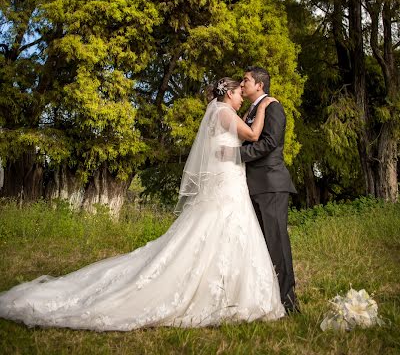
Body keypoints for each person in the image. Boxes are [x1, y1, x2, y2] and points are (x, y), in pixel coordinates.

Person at [0, 78, 285, 331]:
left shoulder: (220, 113)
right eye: (238, 92)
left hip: (228, 180)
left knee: (223, 231)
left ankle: (230, 291)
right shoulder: (224, 112)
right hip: (227, 184)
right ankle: (230, 293)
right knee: (220, 229)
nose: (240, 96)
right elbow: (253, 136)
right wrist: (262, 108)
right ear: (229, 94)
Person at [240, 66, 298, 313]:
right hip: (254, 185)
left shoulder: (273, 107)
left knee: (277, 242)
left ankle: (288, 301)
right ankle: (267, 298)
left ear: (259, 85)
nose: (242, 85)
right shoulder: (250, 110)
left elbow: (271, 143)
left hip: (271, 184)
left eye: (246, 80)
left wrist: (236, 154)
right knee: (262, 243)